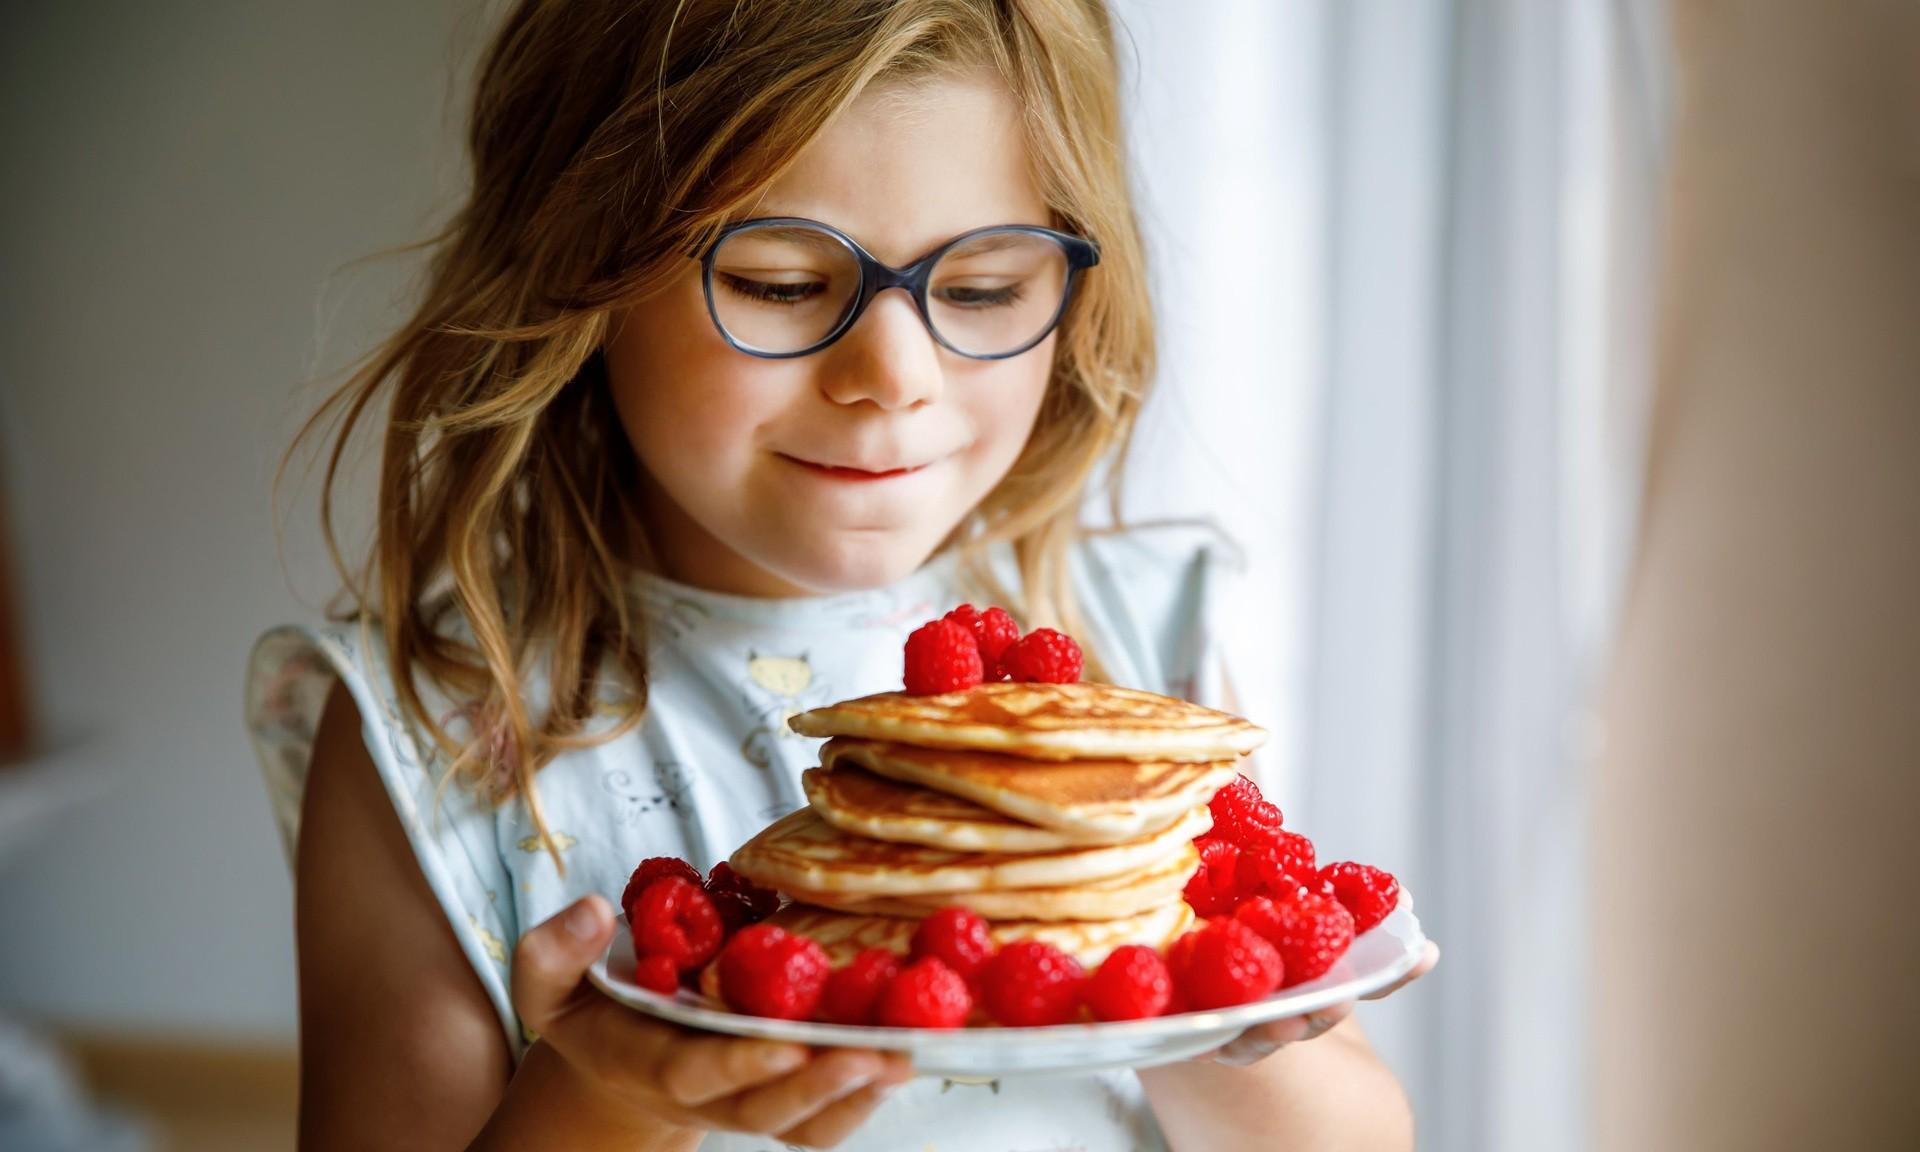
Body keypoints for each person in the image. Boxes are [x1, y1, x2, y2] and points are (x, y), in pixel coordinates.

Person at [245, 1, 1434, 1148]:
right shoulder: (436, 729)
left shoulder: (1127, 651)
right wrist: (615, 1097)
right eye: (778, 280)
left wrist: (1128, 951)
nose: (893, 371)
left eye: (981, 288)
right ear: (582, 266)